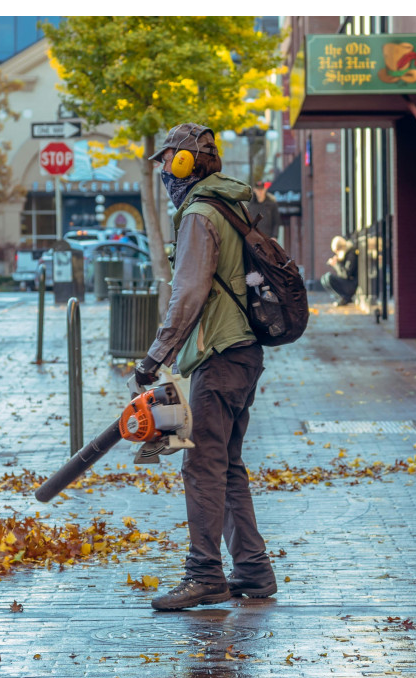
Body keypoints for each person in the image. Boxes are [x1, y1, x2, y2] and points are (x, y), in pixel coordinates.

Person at [133, 123, 276, 611]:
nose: (165, 176)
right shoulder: (228, 204)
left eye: (167, 163)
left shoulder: (199, 213)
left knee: (202, 465)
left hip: (221, 354)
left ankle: (204, 575)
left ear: (183, 163)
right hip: (244, 353)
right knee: (227, 463)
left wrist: (156, 355)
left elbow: (189, 291)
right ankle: (253, 570)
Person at [321, 236, 358, 306]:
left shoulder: (351, 254)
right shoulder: (345, 255)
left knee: (328, 277)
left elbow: (346, 274)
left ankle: (346, 298)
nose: (337, 253)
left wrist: (336, 264)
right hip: (349, 283)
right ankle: (342, 298)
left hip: (352, 284)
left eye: (337, 251)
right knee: (324, 278)